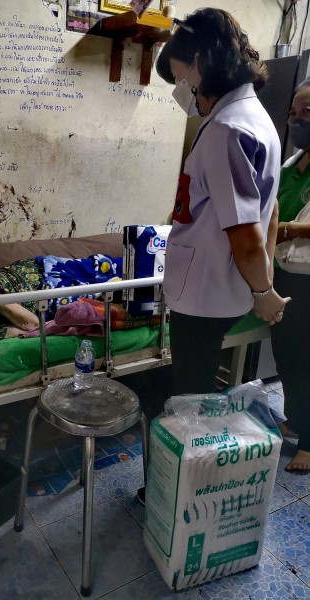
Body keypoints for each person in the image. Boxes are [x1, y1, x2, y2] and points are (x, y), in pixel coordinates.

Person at [137, 8, 290, 504]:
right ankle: (184, 487)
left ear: (201, 61)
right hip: (210, 285)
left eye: (182, 77)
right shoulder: (256, 120)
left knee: (188, 402)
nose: (184, 91)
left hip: (203, 294)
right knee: (194, 394)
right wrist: (262, 281)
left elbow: (245, 234)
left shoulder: (227, 129)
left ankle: (177, 499)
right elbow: (269, 213)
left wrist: (264, 292)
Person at [270, 77, 310, 472]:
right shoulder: (290, 165)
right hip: (285, 273)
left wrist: (285, 230)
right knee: (287, 357)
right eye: (294, 113)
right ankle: (297, 418)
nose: (297, 120)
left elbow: (281, 224)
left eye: (307, 112)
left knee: (307, 360)